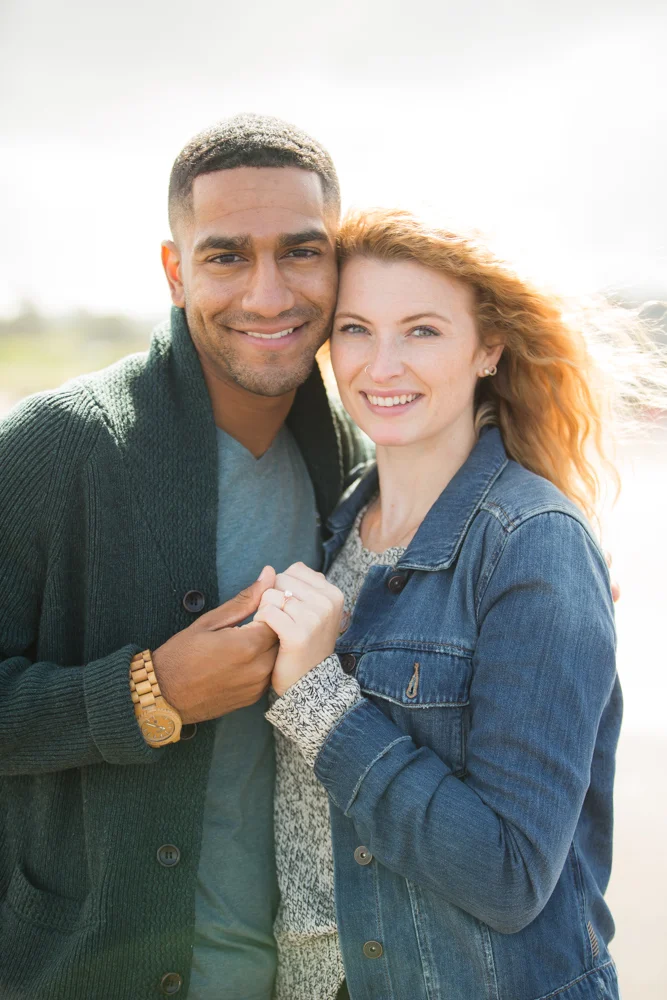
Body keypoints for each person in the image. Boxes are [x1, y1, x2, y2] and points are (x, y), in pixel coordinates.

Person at [0, 114, 370, 999]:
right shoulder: (57, 446)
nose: (269, 294)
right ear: (175, 272)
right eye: (226, 256)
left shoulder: (358, 462)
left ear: (339, 265)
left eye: (301, 252)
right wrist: (147, 694)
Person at [258, 210, 667, 999]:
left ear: (487, 347)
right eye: (354, 329)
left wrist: (318, 700)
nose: (381, 365)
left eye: (421, 331)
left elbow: (510, 875)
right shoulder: (336, 519)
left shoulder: (532, 546)